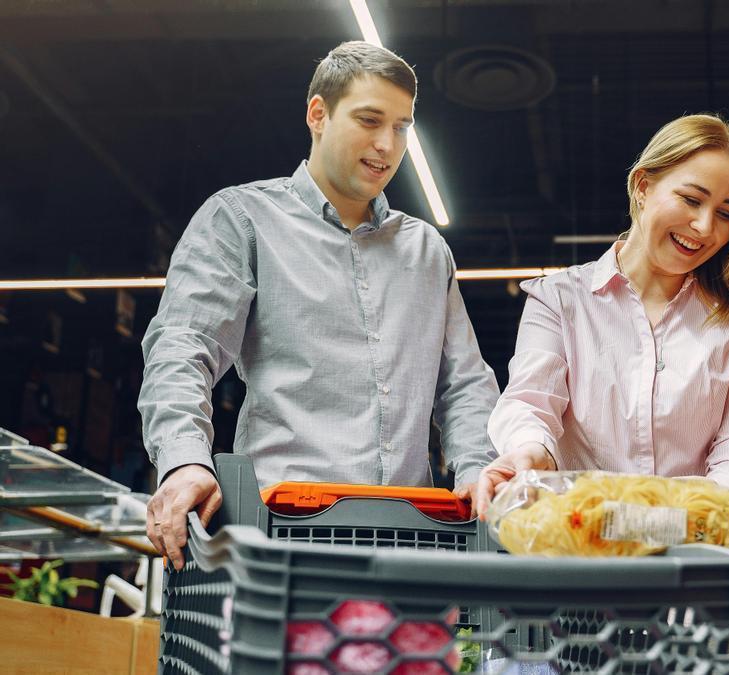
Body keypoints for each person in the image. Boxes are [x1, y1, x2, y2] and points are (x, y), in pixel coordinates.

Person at [139, 41, 499, 570]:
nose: (387, 144)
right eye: (370, 120)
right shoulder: (242, 220)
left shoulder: (426, 250)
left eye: (401, 126)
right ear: (318, 114)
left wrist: (478, 469)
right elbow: (182, 347)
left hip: (412, 543)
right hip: (281, 540)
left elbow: (464, 383)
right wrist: (184, 461)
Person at [475, 113, 729, 520]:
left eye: (726, 213)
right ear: (643, 186)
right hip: (582, 544)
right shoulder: (559, 299)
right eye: (691, 199)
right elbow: (531, 403)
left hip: (698, 553)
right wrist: (531, 452)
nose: (705, 226)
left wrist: (667, 519)